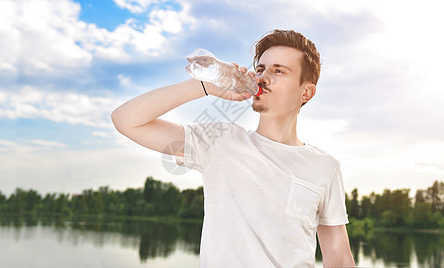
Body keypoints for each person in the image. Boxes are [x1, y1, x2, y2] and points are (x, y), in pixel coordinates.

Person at [111, 29, 355, 267]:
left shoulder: (325, 166)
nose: (263, 77)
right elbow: (127, 120)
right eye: (261, 69)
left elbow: (340, 259)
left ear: (306, 92)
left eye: (278, 70)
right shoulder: (220, 141)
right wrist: (205, 86)